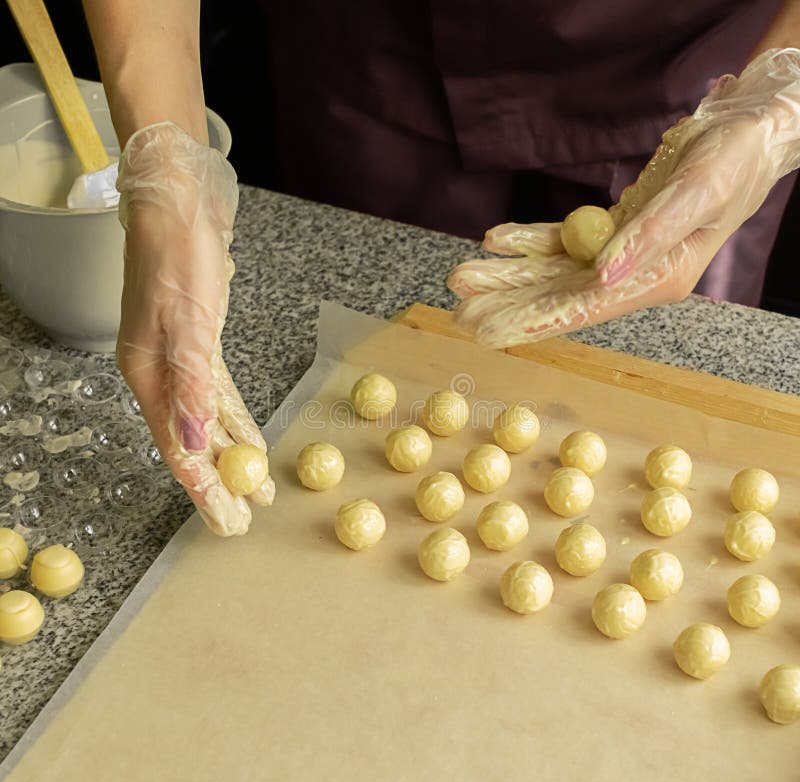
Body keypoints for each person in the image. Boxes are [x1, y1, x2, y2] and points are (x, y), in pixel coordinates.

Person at [80, 1, 800, 536]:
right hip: (381, 49)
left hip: (703, 73)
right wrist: (164, 154)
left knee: (665, 350)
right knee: (374, 340)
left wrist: (775, 106)